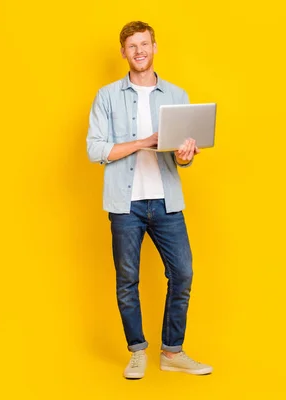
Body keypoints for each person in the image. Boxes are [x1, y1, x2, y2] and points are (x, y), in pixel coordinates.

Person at [86, 21, 213, 379]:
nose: (139, 51)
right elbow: (95, 149)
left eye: (145, 44)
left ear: (155, 47)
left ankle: (172, 352)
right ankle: (137, 351)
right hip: (125, 205)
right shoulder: (107, 96)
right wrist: (145, 141)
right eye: (132, 46)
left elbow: (180, 157)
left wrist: (186, 154)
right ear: (123, 53)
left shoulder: (178, 95)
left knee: (183, 273)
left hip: (166, 201)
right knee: (127, 280)